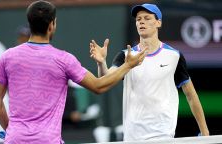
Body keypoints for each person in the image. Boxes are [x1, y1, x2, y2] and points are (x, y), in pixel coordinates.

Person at [0, 1, 147, 143]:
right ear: (52, 25)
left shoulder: (7, 56)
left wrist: (11, 130)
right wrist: (128, 66)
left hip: (15, 139)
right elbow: (99, 86)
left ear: (30, 24)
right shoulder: (63, 59)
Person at [89, 3, 209, 141]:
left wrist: (205, 132)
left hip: (163, 135)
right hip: (133, 137)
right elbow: (105, 80)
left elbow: (191, 95)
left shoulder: (174, 56)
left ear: (158, 23)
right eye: (138, 19)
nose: (141, 21)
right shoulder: (125, 56)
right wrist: (101, 62)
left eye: (147, 18)